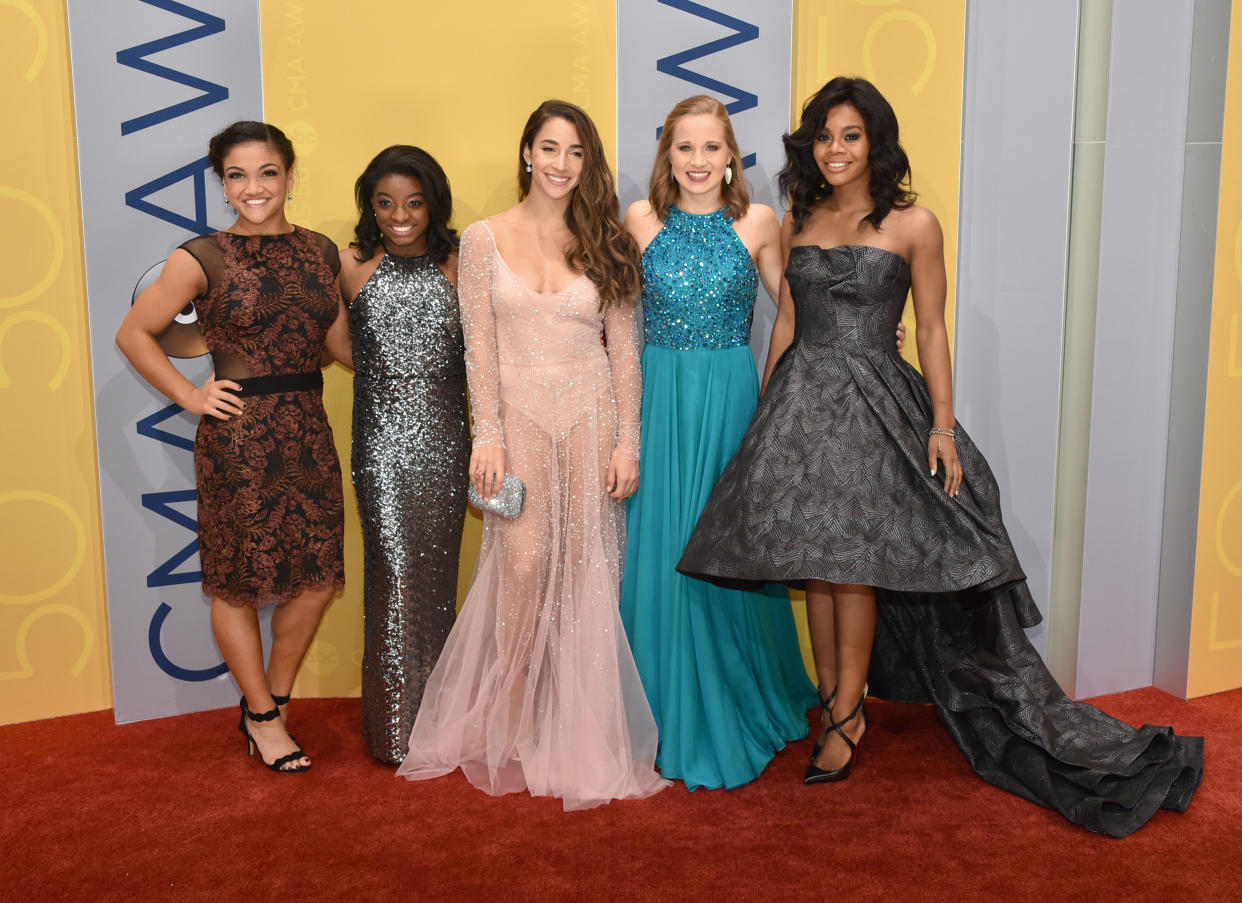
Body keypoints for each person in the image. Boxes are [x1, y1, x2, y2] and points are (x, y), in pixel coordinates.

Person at [678, 78, 1203, 836]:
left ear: (876, 143)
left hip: (875, 406)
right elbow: (789, 318)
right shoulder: (799, 219)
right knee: (816, 565)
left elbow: (928, 330)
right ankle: (833, 697)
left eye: (850, 135)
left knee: (851, 560)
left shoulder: (914, 223)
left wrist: (944, 425)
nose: (834, 149)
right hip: (801, 404)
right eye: (824, 135)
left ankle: (850, 715)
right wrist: (767, 416)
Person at [396, 100, 669, 809]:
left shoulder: (607, 239)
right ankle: (510, 719)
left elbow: (625, 351)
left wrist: (628, 440)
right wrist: (487, 433)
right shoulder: (484, 239)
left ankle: (573, 724)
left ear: (589, 163)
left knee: (587, 567)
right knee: (521, 564)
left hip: (591, 417)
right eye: (549, 148)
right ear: (526, 153)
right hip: (516, 423)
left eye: (575, 152)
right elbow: (477, 346)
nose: (561, 164)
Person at [116, 121, 349, 773]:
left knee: (317, 577)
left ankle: (265, 702)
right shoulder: (200, 256)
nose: (254, 187)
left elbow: (340, 348)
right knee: (239, 583)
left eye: (268, 172)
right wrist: (189, 397)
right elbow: (135, 332)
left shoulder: (321, 252)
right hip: (239, 442)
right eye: (239, 175)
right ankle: (268, 720)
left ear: (289, 176)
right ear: (223, 183)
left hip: (307, 428)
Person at [618, 95, 819, 790]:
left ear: (731, 155)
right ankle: (657, 703)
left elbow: (796, 310)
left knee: (729, 546)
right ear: (666, 155)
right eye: (685, 148)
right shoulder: (640, 220)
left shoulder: (760, 222)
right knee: (665, 543)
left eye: (711, 148)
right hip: (660, 398)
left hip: (732, 397)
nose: (698, 161)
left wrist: (866, 331)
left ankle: (739, 686)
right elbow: (610, 318)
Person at [338, 146, 470, 764]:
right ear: (370, 204)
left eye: (414, 203)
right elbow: (340, 347)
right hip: (381, 447)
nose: (400, 215)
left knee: (438, 583)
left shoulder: (461, 262)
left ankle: (439, 719)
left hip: (448, 442)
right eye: (386, 202)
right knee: (392, 577)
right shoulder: (351, 265)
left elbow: (488, 353)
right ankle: (394, 729)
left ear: (433, 204)